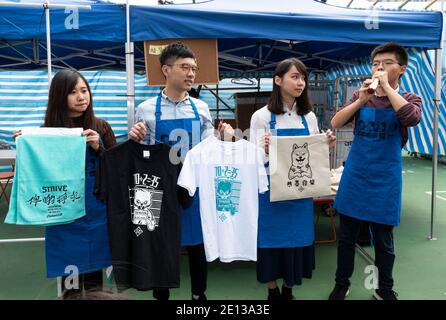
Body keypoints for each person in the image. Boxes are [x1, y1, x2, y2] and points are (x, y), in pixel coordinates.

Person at [129, 42, 232, 301]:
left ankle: (199, 295)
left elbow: (210, 147)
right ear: (166, 69)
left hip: (193, 186)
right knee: (159, 246)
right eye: (185, 67)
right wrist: (135, 138)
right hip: (155, 187)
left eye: (194, 69)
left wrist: (222, 137)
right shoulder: (145, 108)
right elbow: (140, 152)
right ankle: (160, 296)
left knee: (197, 243)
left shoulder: (201, 107)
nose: (191, 74)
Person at [328, 42, 422, 300]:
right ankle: (341, 283)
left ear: (402, 68)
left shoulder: (409, 98)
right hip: (356, 173)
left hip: (385, 178)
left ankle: (385, 289)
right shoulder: (362, 96)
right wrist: (360, 101)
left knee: (384, 240)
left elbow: (412, 118)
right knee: (347, 236)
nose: (379, 67)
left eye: (387, 63)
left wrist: (387, 89)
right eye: (375, 63)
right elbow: (336, 123)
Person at [13, 69, 116, 297]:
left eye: (84, 90)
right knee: (69, 277)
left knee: (95, 277)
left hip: (96, 211)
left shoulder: (102, 127)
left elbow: (117, 170)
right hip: (63, 213)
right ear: (59, 96)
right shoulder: (46, 132)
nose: (81, 97)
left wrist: (99, 148)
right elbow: (37, 173)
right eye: (73, 92)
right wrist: (28, 142)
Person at [249, 58, 336, 300]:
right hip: (270, 193)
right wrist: (264, 149)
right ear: (278, 80)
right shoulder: (261, 117)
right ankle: (272, 291)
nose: (301, 82)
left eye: (303, 77)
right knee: (269, 242)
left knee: (296, 243)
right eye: (294, 77)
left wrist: (325, 145)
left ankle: (288, 289)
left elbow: (312, 156)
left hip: (299, 193)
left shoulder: (308, 117)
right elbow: (252, 158)